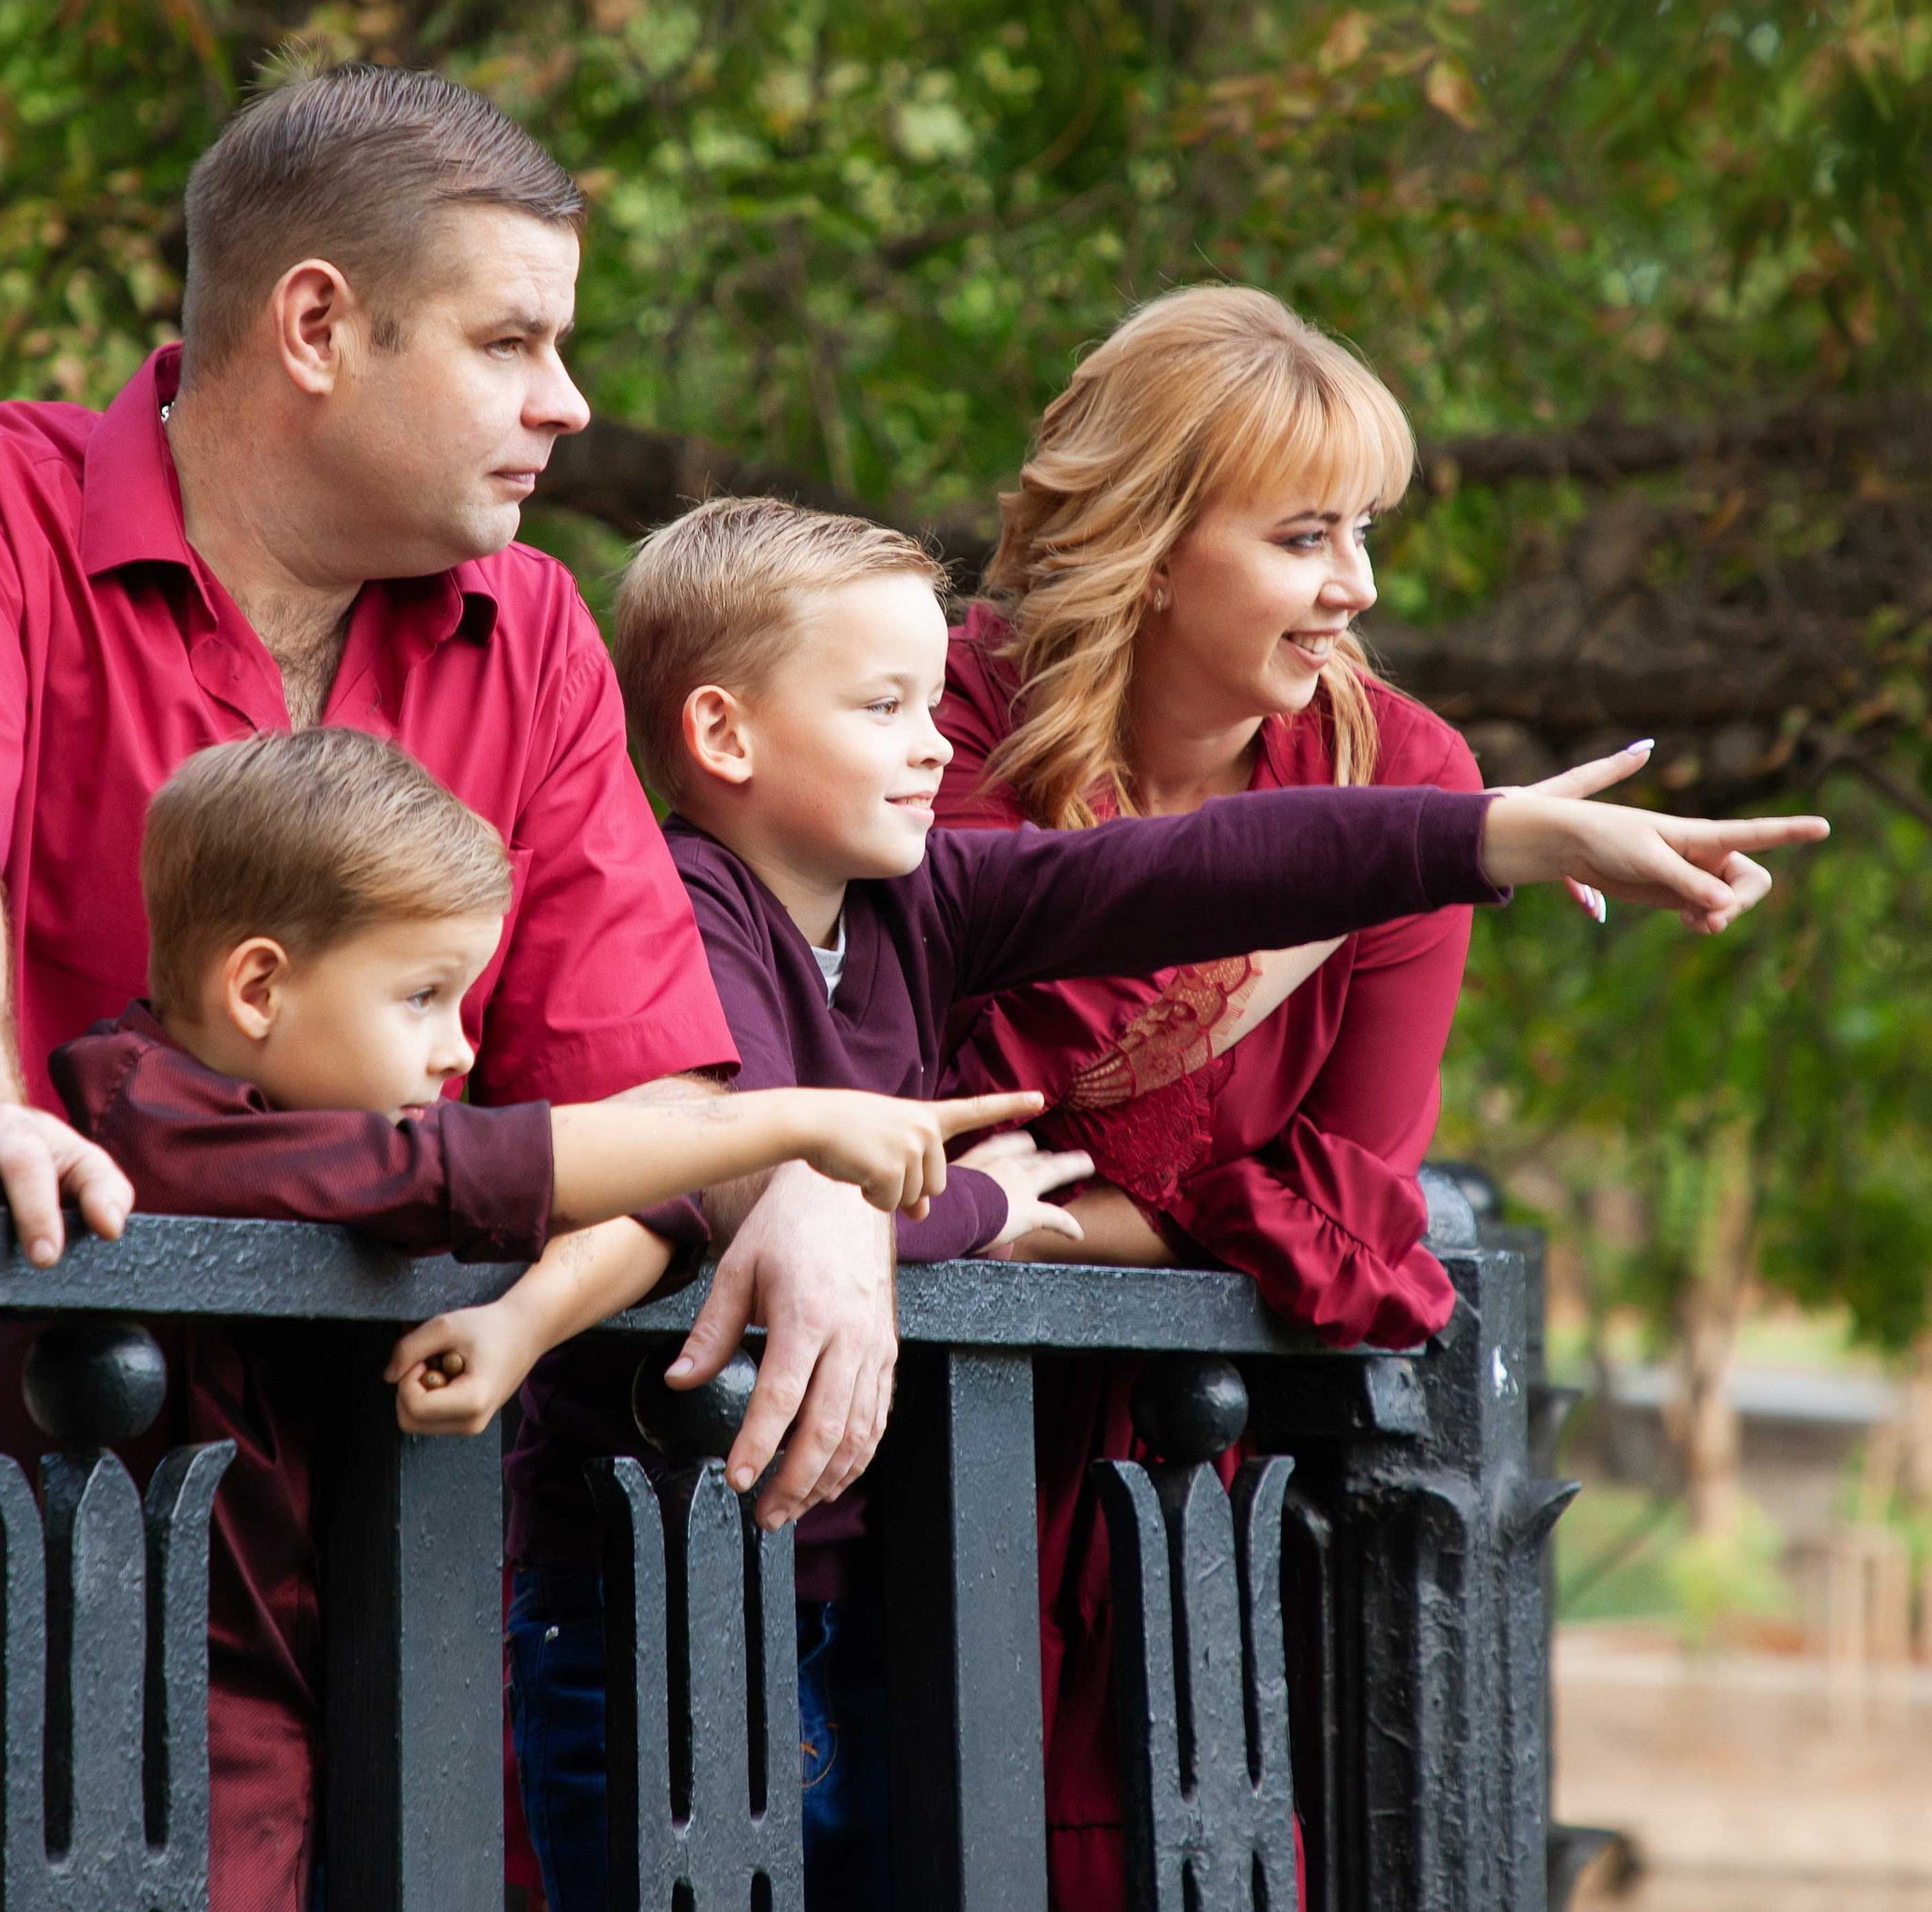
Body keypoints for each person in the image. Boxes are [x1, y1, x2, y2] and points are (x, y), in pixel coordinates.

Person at [0, 61, 881, 1912]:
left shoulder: (538, 635)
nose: (564, 403)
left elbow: (644, 1092)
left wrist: (800, 1189)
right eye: (511, 341)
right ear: (317, 323)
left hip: (227, 1715)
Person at [506, 493, 1828, 1912]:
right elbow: (740, 1190)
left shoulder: (921, 901)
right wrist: (975, 1216)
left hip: (845, 1589)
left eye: (928, 704)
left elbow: (1191, 870)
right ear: (725, 737)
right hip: (654, 1602)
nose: (937, 744)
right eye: (886, 707)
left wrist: (1498, 837)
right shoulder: (680, 918)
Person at [0, 725, 1030, 1912]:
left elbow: (658, 1197)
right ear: (258, 987)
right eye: (424, 996)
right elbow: (462, 1167)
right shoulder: (155, 1123)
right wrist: (794, 1120)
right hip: (171, 1703)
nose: (459, 1049)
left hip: (331, 1680)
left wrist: (524, 1324)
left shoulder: (301, 1118)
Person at [929, 282, 1647, 1905]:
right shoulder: (941, 713)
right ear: (1150, 536)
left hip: (1198, 1502)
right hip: (901, 1464)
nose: (1357, 590)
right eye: (1307, 537)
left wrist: (1047, 1236)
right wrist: (1321, 897)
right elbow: (959, 1099)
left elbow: (1354, 1211)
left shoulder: (1405, 772)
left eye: (1365, 533)